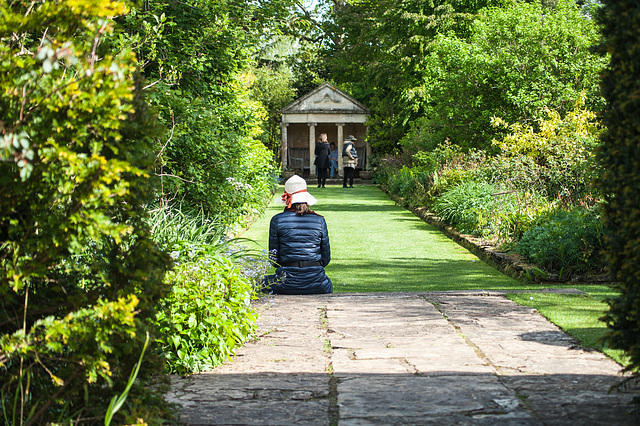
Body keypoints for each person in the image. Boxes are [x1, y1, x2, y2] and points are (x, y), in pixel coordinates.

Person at [263, 175, 332, 295]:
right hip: (317, 283)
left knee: (260, 283)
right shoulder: (319, 221)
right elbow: (326, 259)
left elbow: (274, 260)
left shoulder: (277, 220)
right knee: (328, 283)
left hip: (285, 283)